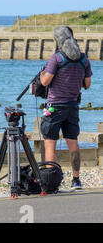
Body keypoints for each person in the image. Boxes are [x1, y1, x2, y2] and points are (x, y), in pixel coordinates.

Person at [40, 26, 92, 190]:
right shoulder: (84, 59)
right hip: (73, 106)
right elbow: (87, 85)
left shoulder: (57, 59)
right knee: (73, 142)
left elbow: (45, 82)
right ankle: (76, 180)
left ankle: (50, 182)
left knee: (50, 142)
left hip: (55, 106)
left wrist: (42, 74)